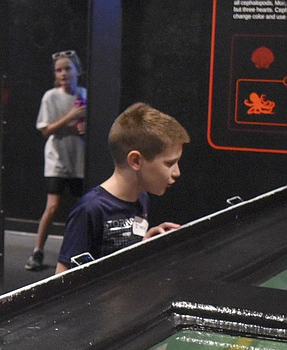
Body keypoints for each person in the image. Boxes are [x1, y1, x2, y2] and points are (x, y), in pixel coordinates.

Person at [55, 102, 189, 273]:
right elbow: (62, 278)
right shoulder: (91, 209)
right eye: (169, 163)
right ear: (135, 161)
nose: (177, 172)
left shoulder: (142, 198)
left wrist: (143, 244)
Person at [25, 50, 87, 271]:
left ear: (77, 71)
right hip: (56, 160)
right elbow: (45, 129)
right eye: (59, 70)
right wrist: (72, 117)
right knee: (52, 206)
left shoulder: (84, 94)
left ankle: (81, 252)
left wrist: (83, 127)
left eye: (67, 68)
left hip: (79, 160)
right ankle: (37, 252)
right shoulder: (50, 96)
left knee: (83, 207)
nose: (63, 73)